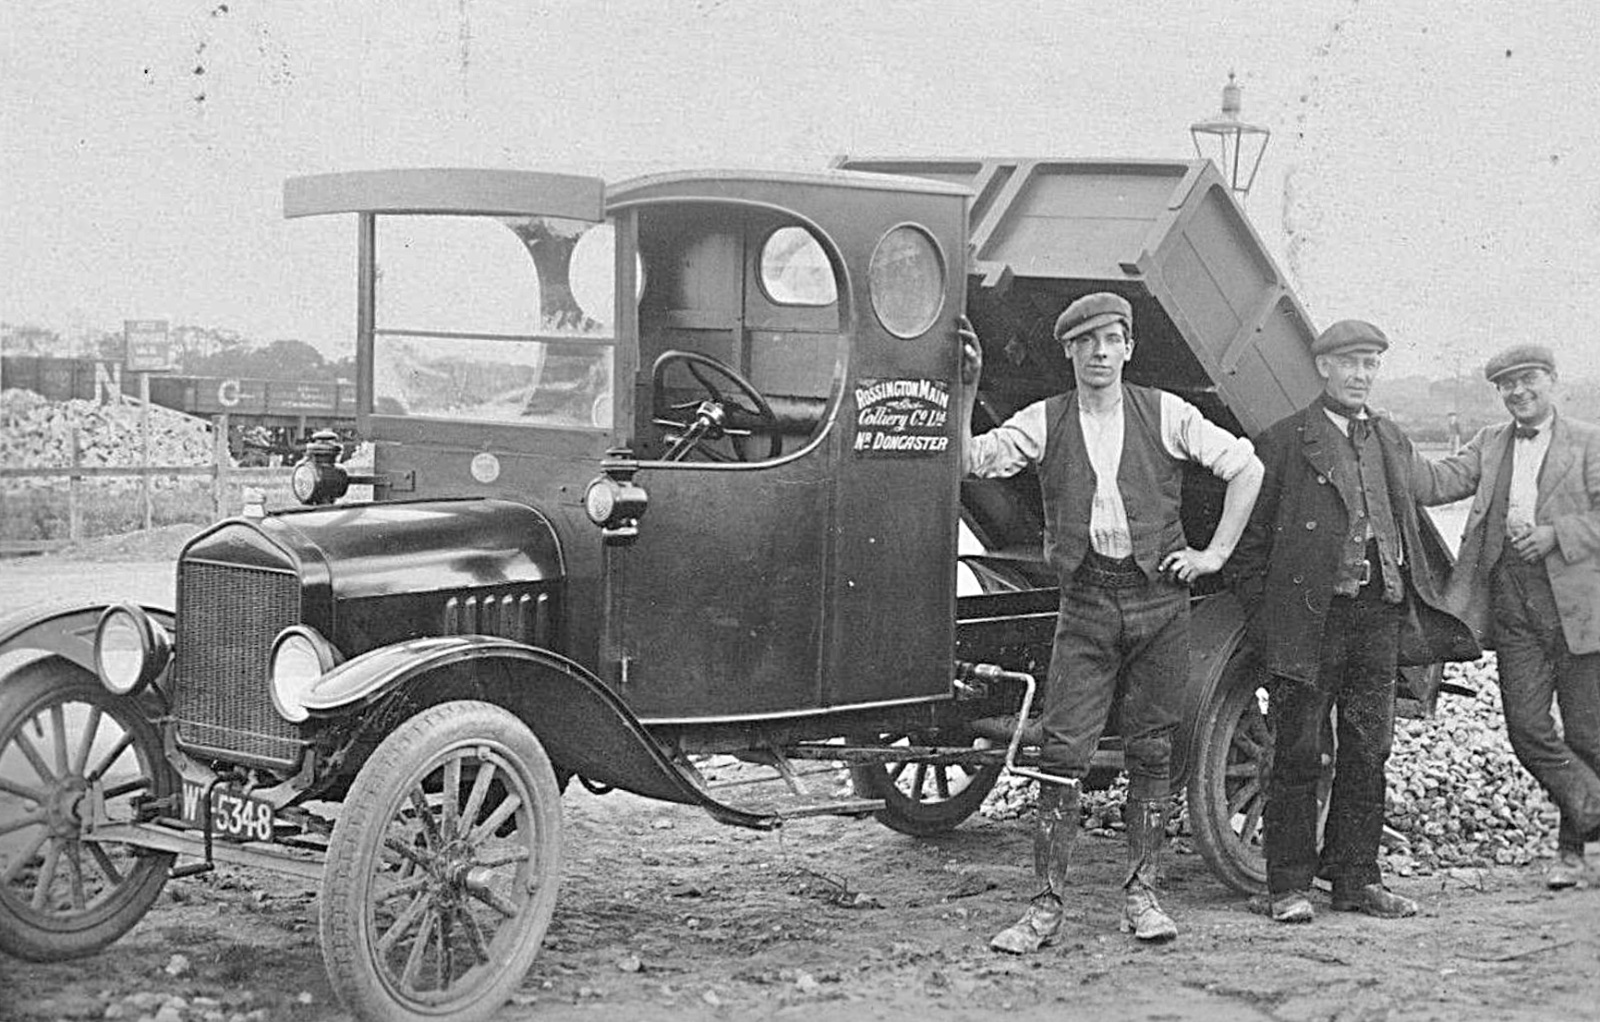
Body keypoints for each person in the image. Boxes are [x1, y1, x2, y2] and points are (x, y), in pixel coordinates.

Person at [957, 293, 1264, 951]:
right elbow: (969, 461)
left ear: (1128, 349)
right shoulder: (1045, 421)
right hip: (1086, 606)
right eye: (1087, 342)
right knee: (1061, 754)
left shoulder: (1166, 413)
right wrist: (965, 390)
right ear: (1069, 351)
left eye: (1112, 340)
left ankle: (1142, 898)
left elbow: (1247, 467)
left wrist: (1213, 555)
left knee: (1152, 751)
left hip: (1159, 605)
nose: (1100, 352)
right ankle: (1044, 910)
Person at [1229, 320, 1477, 924]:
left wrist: (1494, 454)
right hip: (1311, 621)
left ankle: (1356, 879)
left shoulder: (1389, 438)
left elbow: (1427, 494)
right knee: (1299, 750)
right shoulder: (1285, 441)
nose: (1360, 376)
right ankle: (1287, 885)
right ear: (1323, 368)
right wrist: (1272, 621)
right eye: (1349, 364)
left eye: (1370, 365)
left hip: (1378, 614)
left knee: (1370, 749)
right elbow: (1249, 549)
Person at [1412, 344, 1600, 889]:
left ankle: (1572, 854)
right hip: (1513, 604)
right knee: (1526, 728)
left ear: (1552, 380)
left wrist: (1555, 535)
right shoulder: (1491, 442)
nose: (1518, 391)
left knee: (1587, 734)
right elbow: (1437, 483)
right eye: (1507, 384)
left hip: (1580, 605)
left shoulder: (1589, 441)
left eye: (1528, 379)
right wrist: (1386, 443)